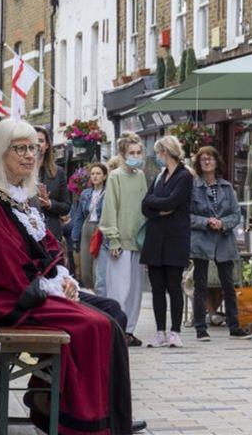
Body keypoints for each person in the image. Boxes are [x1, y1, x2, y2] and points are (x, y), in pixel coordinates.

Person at [0, 119, 146, 434]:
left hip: (32, 286)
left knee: (112, 310)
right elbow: (4, 266)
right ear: (0, 152)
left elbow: (45, 247)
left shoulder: (13, 195)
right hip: (10, 297)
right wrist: (50, 284)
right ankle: (80, 418)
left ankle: (67, 400)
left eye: (33, 149)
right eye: (20, 148)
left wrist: (62, 276)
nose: (30, 156)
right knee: (97, 324)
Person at [189, 145, 252, 341]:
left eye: (210, 158)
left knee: (228, 285)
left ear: (217, 162)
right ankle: (200, 327)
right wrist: (206, 222)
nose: (207, 162)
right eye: (203, 159)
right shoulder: (193, 188)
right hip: (202, 240)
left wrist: (223, 223)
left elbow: (236, 214)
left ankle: (234, 326)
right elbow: (187, 215)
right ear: (198, 164)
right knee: (200, 285)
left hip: (224, 240)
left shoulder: (226, 187)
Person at [141, 136, 193, 348]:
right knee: (157, 287)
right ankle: (160, 330)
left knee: (173, 285)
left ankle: (175, 332)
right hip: (155, 238)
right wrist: (159, 208)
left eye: (159, 152)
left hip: (175, 238)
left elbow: (174, 201)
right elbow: (145, 204)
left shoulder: (184, 176)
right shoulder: (159, 176)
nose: (158, 157)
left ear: (166, 151)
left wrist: (157, 205)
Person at [99, 135, 148, 347]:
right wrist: (113, 238)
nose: (136, 156)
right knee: (119, 289)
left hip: (138, 241)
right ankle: (117, 329)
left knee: (136, 290)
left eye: (139, 152)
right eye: (132, 153)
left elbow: (145, 208)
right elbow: (111, 208)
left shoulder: (141, 177)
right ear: (123, 154)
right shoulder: (115, 177)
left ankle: (129, 330)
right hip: (120, 242)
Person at [33, 126, 71, 265]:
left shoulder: (58, 172)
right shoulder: (21, 171)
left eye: (41, 141)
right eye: (34, 140)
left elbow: (66, 206)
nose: (37, 144)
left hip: (51, 233)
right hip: (28, 235)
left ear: (47, 145)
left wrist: (50, 204)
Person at [70, 163, 108, 289]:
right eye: (93, 174)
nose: (95, 176)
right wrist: (75, 237)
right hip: (86, 228)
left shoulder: (108, 193)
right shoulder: (85, 193)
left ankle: (100, 292)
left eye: (98, 173)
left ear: (104, 176)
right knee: (85, 267)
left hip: (100, 229)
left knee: (98, 267)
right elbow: (79, 217)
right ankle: (92, 290)